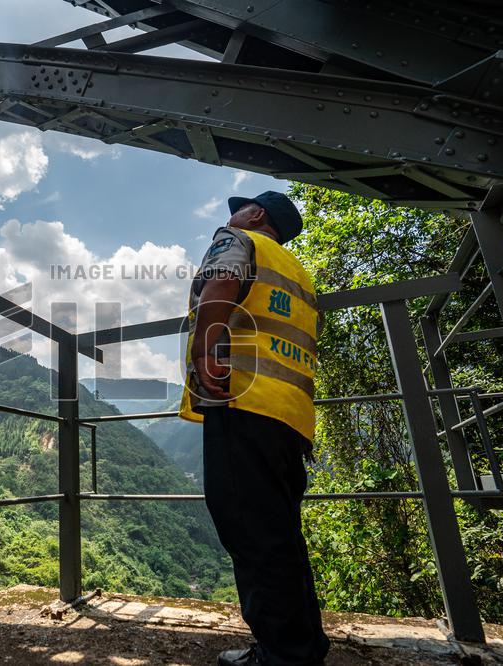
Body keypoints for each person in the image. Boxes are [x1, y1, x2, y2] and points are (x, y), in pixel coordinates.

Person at [178, 191, 329, 665]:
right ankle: (305, 646)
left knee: (251, 532)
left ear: (256, 215)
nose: (231, 216)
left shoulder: (237, 239)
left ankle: (283, 656)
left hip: (242, 397)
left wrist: (204, 349)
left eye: (239, 209)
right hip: (291, 415)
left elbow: (221, 282)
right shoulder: (297, 271)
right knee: (280, 534)